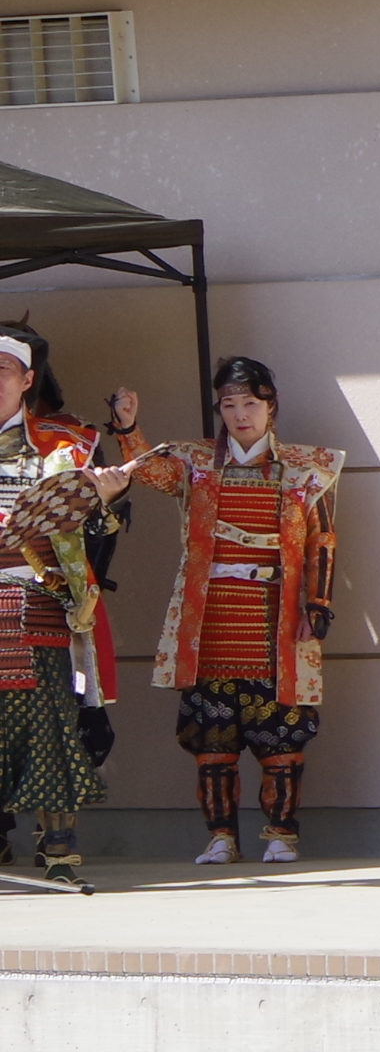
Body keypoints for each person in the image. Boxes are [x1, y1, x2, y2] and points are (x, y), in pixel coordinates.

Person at [98, 356, 341, 868]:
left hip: (274, 617)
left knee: (282, 737)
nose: (239, 414)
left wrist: (318, 602)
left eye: (250, 403)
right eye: (229, 405)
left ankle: (281, 833)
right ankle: (221, 836)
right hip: (209, 617)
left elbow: (321, 538)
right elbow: (149, 471)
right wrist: (128, 426)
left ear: (271, 405)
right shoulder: (195, 460)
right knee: (214, 741)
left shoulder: (305, 465)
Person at [0, 318, 106, 889]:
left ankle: (58, 843)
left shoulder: (60, 448)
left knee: (47, 722)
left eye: (2, 369)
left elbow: (73, 524)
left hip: (34, 595)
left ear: (26, 379)